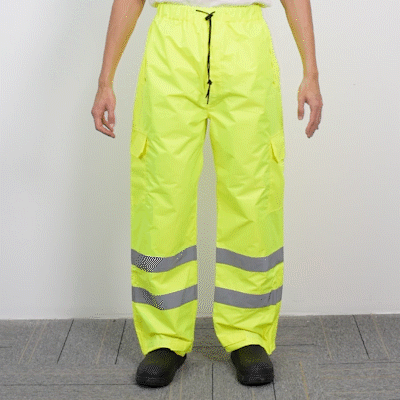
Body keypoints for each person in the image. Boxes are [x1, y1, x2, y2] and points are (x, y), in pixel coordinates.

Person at [91, 0, 323, 389]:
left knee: (252, 191)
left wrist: (310, 73)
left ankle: (248, 333)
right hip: (172, 41)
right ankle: (163, 338)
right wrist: (105, 81)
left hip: (244, 43)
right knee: (162, 194)